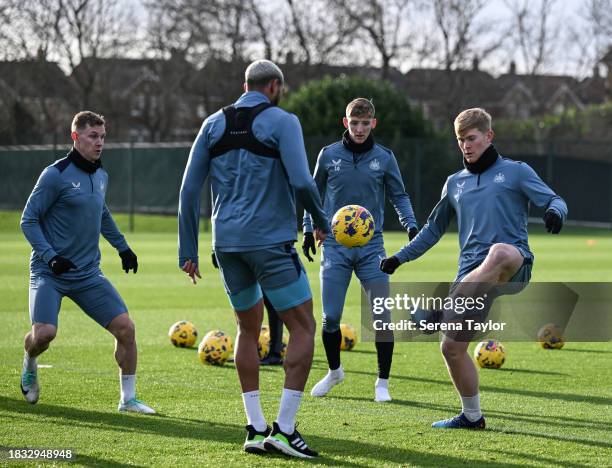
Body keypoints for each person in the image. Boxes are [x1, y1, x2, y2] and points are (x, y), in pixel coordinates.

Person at [380, 107, 567, 429]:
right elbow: (432, 230)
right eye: (460, 140)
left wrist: (554, 212)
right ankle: (471, 416)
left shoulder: (516, 171)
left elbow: (556, 199)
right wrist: (400, 257)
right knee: (451, 348)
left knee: (497, 253)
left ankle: (440, 314)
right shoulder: (454, 183)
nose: (466, 145)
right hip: (470, 277)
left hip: (512, 265)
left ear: (488, 136)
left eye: (471, 138)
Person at [178, 60, 329, 458]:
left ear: (244, 85)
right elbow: (301, 180)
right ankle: (285, 430)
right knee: (303, 327)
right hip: (270, 243)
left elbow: (189, 191)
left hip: (226, 246)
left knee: (248, 329)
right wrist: (320, 220)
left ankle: (255, 426)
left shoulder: (212, 124)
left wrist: (187, 250)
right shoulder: (283, 121)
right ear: (275, 86)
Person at [20, 111, 155, 414]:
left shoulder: (100, 174)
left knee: (126, 329)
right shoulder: (55, 174)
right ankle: (29, 360)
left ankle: (128, 399)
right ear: (75, 137)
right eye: (93, 136)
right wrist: (51, 257)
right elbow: (28, 221)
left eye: (103, 136)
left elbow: (101, 214)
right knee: (44, 335)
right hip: (49, 272)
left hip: (87, 274)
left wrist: (123, 248)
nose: (99, 143)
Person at [303, 98, 418, 402]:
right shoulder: (328, 155)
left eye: (365, 123)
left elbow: (399, 195)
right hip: (335, 248)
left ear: (373, 124)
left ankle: (382, 382)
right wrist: (306, 229)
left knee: (381, 315)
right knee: (330, 318)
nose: (359, 129)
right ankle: (334, 372)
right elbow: (312, 195)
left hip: (372, 249)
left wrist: (411, 224)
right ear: (345, 123)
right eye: (354, 123)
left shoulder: (385, 158)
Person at [212, 251, 285, 365]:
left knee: (271, 303)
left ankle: (275, 353)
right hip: (237, 250)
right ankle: (248, 352)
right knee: (244, 304)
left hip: (263, 249)